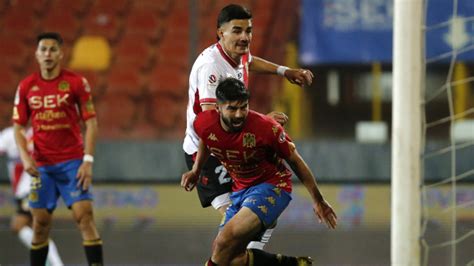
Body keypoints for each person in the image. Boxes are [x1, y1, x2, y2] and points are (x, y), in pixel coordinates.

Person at [183, 4, 314, 249]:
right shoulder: (212, 68)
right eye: (237, 31)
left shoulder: (237, 52)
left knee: (261, 216)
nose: (244, 37)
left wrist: (284, 71)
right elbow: (214, 127)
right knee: (239, 226)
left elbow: (250, 61)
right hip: (210, 153)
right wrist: (262, 122)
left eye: (248, 30)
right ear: (220, 33)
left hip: (235, 146)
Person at [181, 78, 337, 265]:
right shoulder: (203, 123)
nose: (239, 114)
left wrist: (318, 200)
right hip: (240, 191)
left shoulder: (266, 128)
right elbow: (207, 138)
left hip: (272, 187)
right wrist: (196, 170)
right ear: (218, 109)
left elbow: (295, 161)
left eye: (243, 107)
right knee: (229, 258)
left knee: (224, 241)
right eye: (232, 108)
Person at [12, 32, 103, 266]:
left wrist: (88, 160)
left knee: (84, 217)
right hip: (42, 166)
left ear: (61, 54)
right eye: (43, 49)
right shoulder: (26, 87)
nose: (48, 54)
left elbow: (91, 123)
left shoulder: (76, 83)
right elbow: (18, 127)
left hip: (73, 163)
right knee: (40, 224)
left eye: (53, 50)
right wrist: (26, 157)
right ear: (36, 54)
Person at [0, 126, 64, 266]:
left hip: (31, 188)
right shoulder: (10, 134)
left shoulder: (37, 134)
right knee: (38, 232)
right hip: (26, 190)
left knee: (18, 225)